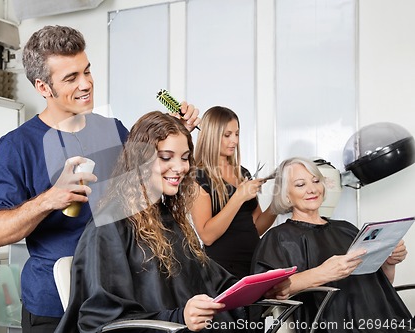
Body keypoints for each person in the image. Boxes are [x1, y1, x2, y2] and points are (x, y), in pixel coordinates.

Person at [0, 25, 200, 332]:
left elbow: (152, 186)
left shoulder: (114, 130)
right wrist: (49, 199)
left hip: (116, 301)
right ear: (43, 87)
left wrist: (175, 132)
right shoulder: (19, 145)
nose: (86, 84)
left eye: (87, 71)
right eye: (71, 78)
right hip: (54, 307)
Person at [55, 111, 290, 333]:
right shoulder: (108, 225)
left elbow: (214, 283)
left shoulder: (169, 219)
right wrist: (179, 318)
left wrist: (258, 290)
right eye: (166, 157)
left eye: (186, 158)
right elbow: (100, 320)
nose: (180, 168)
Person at [251, 157, 412, 333]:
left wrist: (389, 262)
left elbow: (379, 286)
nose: (312, 189)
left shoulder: (347, 229)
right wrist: (322, 273)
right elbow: (270, 292)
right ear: (286, 195)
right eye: (300, 185)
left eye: (316, 181)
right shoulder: (278, 238)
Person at [191, 106, 276, 279]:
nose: (235, 141)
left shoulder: (242, 173)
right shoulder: (197, 176)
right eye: (227, 135)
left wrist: (278, 206)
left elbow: (256, 226)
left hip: (253, 264)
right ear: (212, 136)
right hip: (221, 271)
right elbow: (207, 236)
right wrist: (239, 197)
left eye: (237, 134)